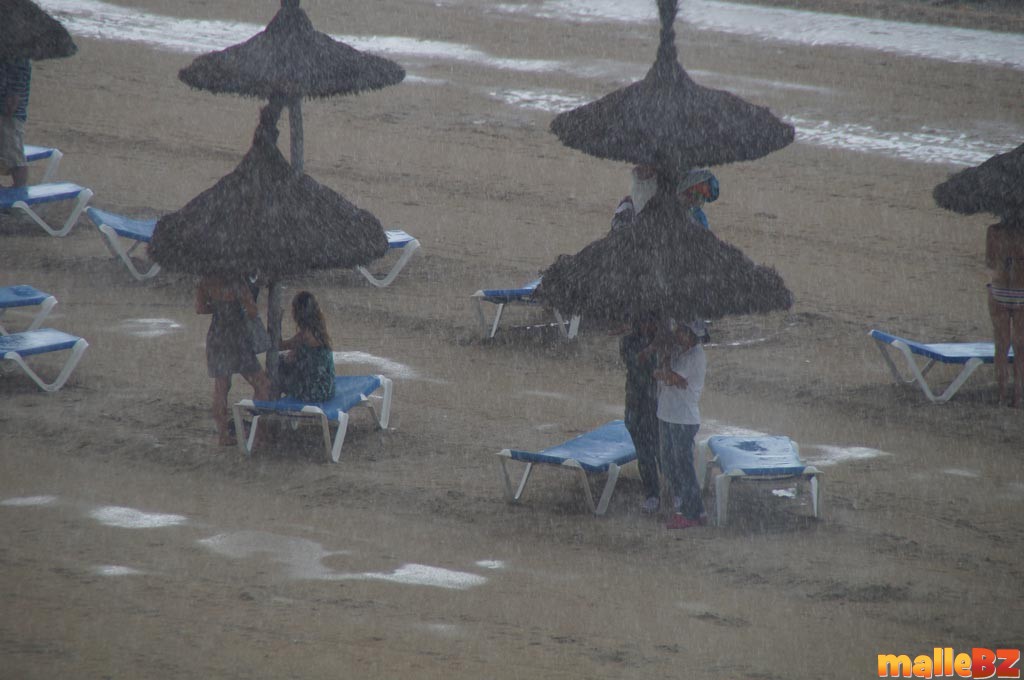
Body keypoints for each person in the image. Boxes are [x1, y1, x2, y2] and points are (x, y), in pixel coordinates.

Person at [195, 274, 271, 446]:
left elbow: (200, 308)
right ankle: (259, 432)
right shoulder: (237, 281)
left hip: (216, 336)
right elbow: (252, 310)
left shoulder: (205, 280)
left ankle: (223, 435)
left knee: (221, 388)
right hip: (236, 338)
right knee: (262, 384)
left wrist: (218, 307)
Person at [652, 318, 707, 529]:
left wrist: (665, 373)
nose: (677, 334)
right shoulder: (678, 351)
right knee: (669, 462)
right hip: (667, 415)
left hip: (683, 418)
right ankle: (687, 504)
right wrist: (666, 372)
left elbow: (671, 377)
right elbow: (669, 376)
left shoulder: (695, 355)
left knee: (683, 466)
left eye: (682, 331)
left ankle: (693, 511)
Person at [618, 313, 662, 513]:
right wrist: (653, 347)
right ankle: (652, 493)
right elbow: (635, 362)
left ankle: (671, 489)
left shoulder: (662, 341)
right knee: (644, 454)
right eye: (644, 320)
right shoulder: (628, 341)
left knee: (661, 450)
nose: (647, 325)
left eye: (651, 320)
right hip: (636, 404)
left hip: (656, 405)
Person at [611, 164, 719, 232]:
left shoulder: (695, 218)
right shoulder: (628, 206)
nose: (695, 200)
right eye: (693, 193)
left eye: (700, 197)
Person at [985, 220, 1024, 407]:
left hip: (1000, 288)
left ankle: (1001, 395)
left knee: (1001, 346)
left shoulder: (994, 231)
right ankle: (1018, 396)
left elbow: (990, 261)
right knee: (1021, 347)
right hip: (1022, 290)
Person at [275, 291, 336, 403]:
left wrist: (277, 322)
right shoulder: (318, 330)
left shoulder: (305, 337)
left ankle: (271, 405)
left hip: (313, 393)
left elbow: (279, 346)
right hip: (327, 388)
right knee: (282, 365)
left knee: (277, 367)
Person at [0, 57, 32, 188]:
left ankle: (20, 192)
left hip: (10, 113)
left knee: (14, 157)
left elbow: (20, 70)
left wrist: (14, 94)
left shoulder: (17, 51)